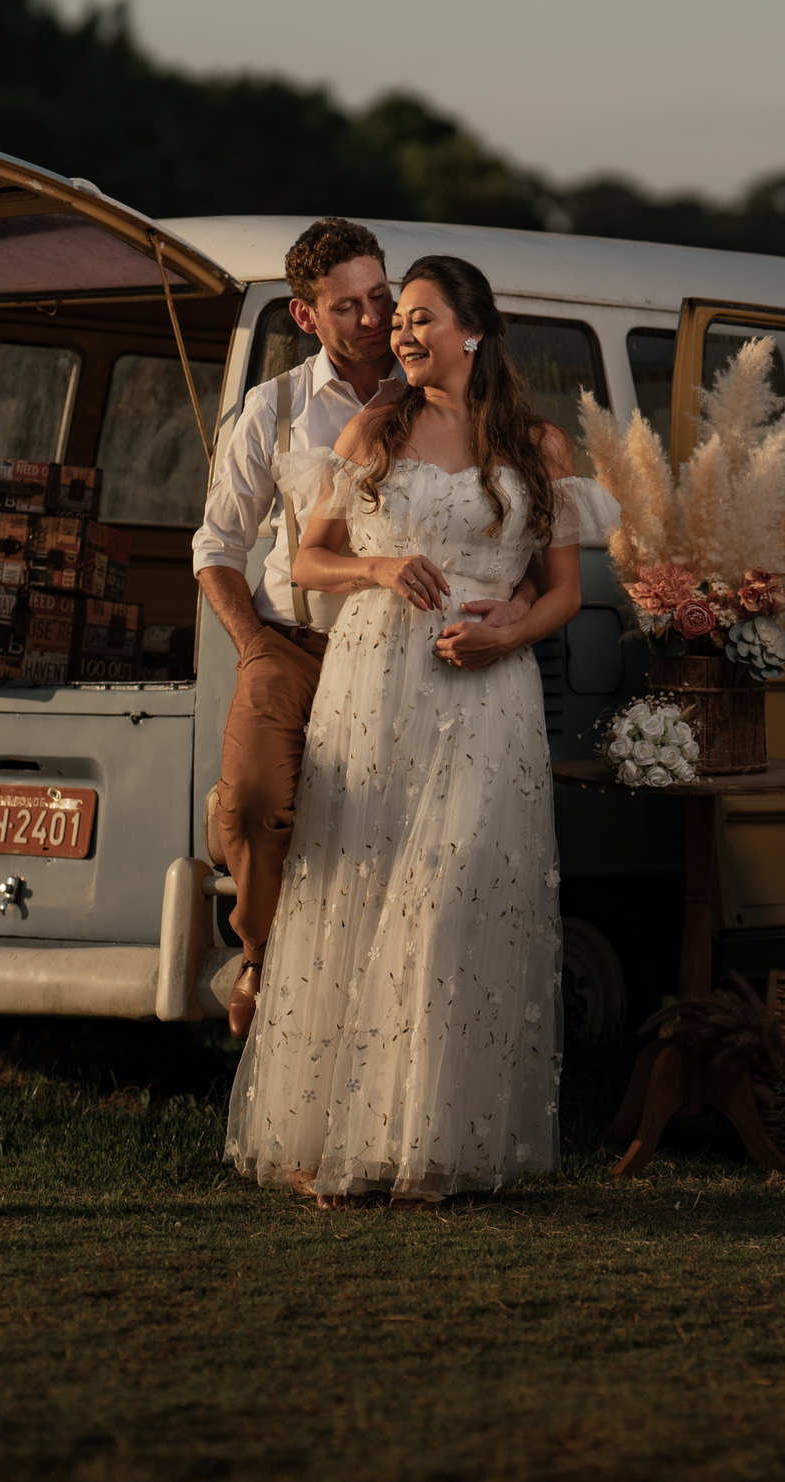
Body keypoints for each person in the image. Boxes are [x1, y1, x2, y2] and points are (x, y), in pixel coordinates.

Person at [224, 254, 618, 1207]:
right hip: (373, 681)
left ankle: (430, 1147)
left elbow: (563, 591)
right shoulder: (371, 431)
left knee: (450, 901)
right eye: (396, 318)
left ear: (472, 331)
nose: (399, 332)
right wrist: (382, 565)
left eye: (419, 317)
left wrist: (507, 634)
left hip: (486, 692)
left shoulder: (539, 447)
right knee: (358, 896)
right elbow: (308, 562)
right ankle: (335, 1139)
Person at [191, 220, 535, 1039]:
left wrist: (517, 607)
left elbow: (508, 529)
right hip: (298, 639)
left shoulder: (439, 387)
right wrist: (253, 647)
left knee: (400, 844)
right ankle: (262, 957)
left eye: (382, 297)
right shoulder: (273, 409)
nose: (377, 319)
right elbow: (217, 545)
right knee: (255, 803)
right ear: (306, 318)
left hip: (412, 651)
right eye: (348, 307)